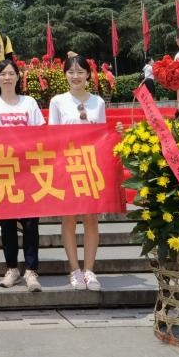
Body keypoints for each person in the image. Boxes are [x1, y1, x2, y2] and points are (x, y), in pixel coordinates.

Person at [0, 58, 44, 292]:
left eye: (11, 73)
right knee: (7, 223)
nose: (7, 77)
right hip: (3, 170)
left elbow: (41, 134)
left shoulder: (29, 103)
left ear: (18, 77)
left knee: (30, 223)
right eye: (3, 74)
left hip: (28, 171)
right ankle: (12, 269)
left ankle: (31, 271)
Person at [49, 55, 107, 289]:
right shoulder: (58, 101)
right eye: (71, 72)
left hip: (90, 166)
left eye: (80, 72)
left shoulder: (98, 102)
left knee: (91, 219)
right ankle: (74, 270)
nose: (76, 76)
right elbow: (52, 136)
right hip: (67, 165)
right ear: (65, 75)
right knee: (69, 219)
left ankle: (89, 270)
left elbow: (103, 135)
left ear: (88, 75)